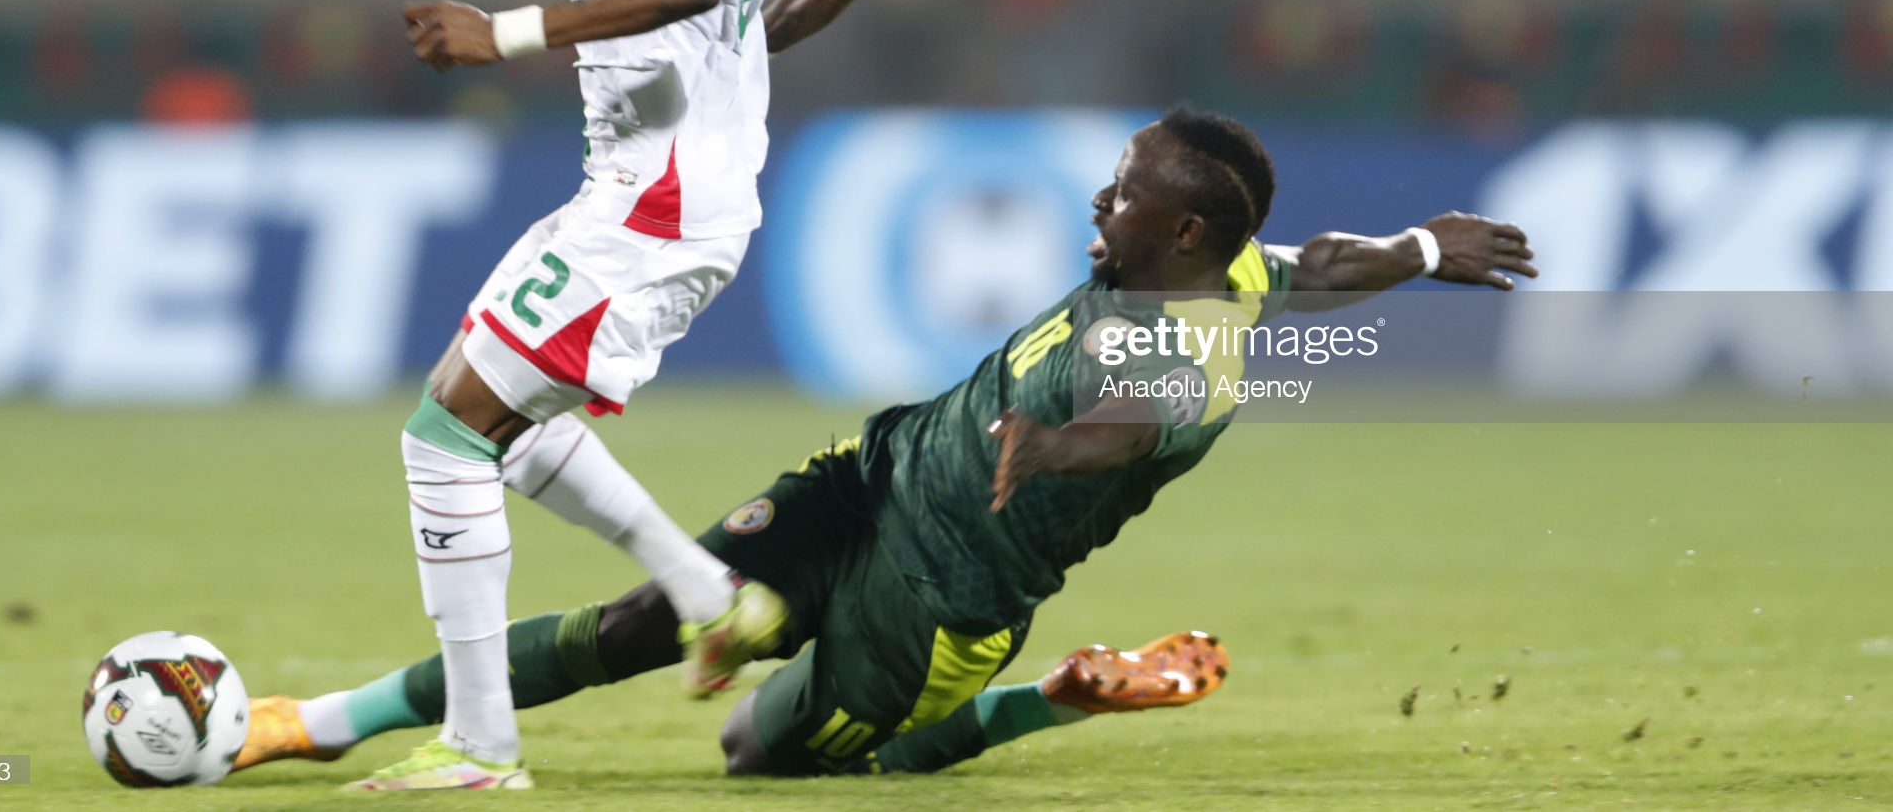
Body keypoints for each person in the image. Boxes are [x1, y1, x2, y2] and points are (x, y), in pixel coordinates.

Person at [237, 109, 1533, 785]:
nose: (1103, 193)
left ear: (1182, 237)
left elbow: (1133, 423)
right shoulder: (1239, 268)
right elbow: (1328, 262)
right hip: (875, 481)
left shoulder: (1194, 353)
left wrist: (1054, 443)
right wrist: (1425, 247)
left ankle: (1052, 697)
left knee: (757, 752)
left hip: (937, 607)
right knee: (654, 620)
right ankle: (320, 724)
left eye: (1127, 187)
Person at [345, 0, 872, 791]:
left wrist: (506, 33)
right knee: (501, 428)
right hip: (654, 193)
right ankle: (710, 599)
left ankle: (480, 751)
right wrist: (729, 75)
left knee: (443, 440)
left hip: (652, 209)